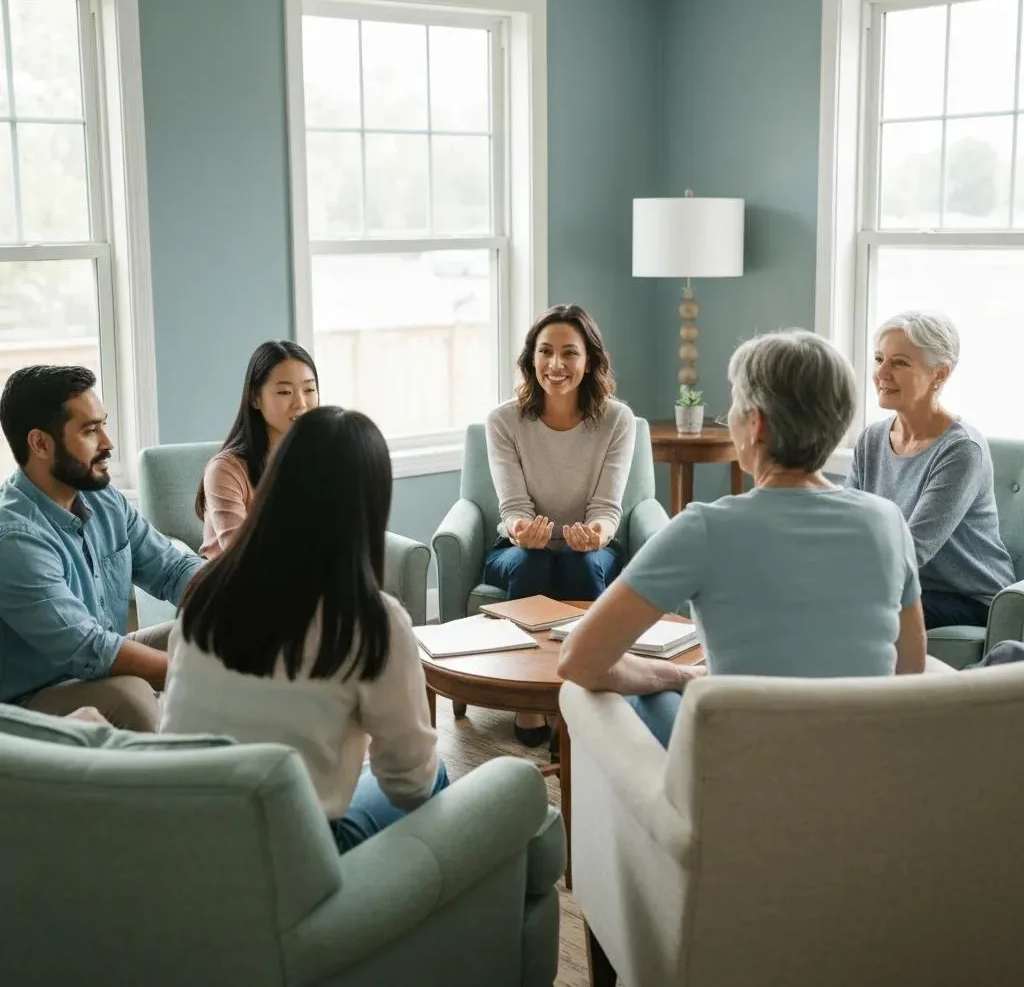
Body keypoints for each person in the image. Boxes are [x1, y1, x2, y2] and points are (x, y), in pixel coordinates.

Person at [558, 330, 927, 748]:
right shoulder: (888, 521)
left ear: (756, 424)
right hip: (861, 775)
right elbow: (910, 670)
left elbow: (579, 660)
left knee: (614, 693)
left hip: (742, 779)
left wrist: (681, 676)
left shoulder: (704, 528)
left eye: (733, 405)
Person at [160, 407, 447, 852]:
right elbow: (410, 784)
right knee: (436, 774)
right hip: (292, 860)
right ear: (370, 504)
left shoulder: (207, 592)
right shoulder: (371, 620)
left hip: (184, 836)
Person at [0, 366, 203, 730]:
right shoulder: (14, 537)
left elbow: (173, 569)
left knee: (209, 641)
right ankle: (176, 784)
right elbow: (87, 647)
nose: (108, 443)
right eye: (90, 431)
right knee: (131, 696)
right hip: (25, 700)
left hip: (89, 666)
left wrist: (242, 600)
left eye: (103, 425)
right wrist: (197, 678)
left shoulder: (105, 499)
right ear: (40, 443)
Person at [484, 303, 636, 745]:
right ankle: (530, 703)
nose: (556, 365)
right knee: (533, 564)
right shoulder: (503, 421)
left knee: (580, 567)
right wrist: (519, 529)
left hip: (591, 548)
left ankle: (580, 703)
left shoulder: (616, 420)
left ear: (589, 361)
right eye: (546, 352)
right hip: (516, 549)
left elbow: (607, 507)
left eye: (570, 353)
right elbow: (513, 505)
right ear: (531, 359)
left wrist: (597, 536)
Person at [847, 312, 1014, 630]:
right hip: (904, 586)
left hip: (968, 599)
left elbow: (913, 550)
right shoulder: (871, 439)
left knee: (854, 609)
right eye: (879, 358)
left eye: (899, 363)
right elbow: (849, 522)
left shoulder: (961, 449)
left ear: (939, 375)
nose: (881, 373)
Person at [197, 340, 318, 559]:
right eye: (284, 392)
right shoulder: (225, 470)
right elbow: (243, 557)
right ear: (254, 398)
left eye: (309, 389)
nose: (300, 403)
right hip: (234, 585)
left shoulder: (318, 460)